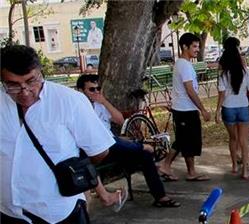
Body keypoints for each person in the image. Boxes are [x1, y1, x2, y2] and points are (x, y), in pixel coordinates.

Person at [1, 45, 112, 223]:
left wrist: (72, 166)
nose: (25, 91)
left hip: (59, 211)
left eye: (31, 81)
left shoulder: (69, 101)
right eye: (13, 85)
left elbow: (99, 151)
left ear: (41, 73)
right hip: (9, 212)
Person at [76, 75, 180, 209]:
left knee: (145, 156)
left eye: (98, 89)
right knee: (123, 144)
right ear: (81, 91)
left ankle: (160, 196)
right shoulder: (80, 108)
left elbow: (120, 120)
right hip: (99, 149)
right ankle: (141, 147)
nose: (96, 92)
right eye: (91, 90)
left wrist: (104, 102)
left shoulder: (100, 105)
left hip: (113, 145)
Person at [159, 33, 211, 182]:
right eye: (194, 46)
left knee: (185, 140)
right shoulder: (184, 65)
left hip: (184, 108)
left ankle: (182, 169)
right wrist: (203, 109)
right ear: (184, 47)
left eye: (198, 46)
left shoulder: (184, 64)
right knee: (185, 140)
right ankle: (169, 165)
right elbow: (189, 89)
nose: (197, 50)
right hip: (184, 109)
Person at [215, 37, 249, 180]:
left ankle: (234, 165)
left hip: (228, 108)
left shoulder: (223, 74)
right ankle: (245, 170)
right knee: (243, 141)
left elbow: (221, 94)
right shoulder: (245, 72)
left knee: (233, 139)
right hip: (243, 107)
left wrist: (217, 111)